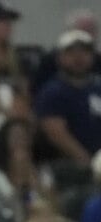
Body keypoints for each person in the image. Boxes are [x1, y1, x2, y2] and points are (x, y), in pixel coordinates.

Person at [35, 31, 101, 167]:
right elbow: (56, 133)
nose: (79, 57)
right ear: (60, 57)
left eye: (84, 52)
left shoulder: (98, 87)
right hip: (69, 166)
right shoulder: (53, 92)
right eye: (71, 52)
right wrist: (89, 163)